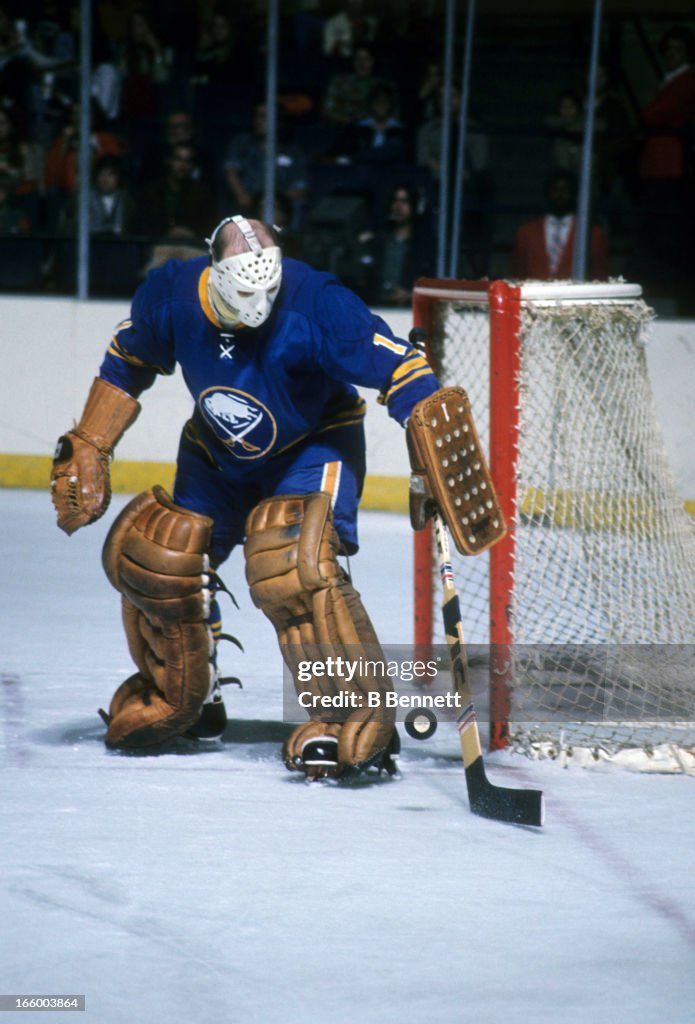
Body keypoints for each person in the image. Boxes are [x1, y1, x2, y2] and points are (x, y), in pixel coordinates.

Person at [49, 213, 458, 780]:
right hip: (215, 451)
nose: (259, 304)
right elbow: (128, 359)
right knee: (162, 560)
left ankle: (355, 719)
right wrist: (91, 441)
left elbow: (404, 368)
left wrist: (435, 448)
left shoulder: (317, 301)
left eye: (268, 289)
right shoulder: (170, 295)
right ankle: (191, 698)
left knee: (295, 565)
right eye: (245, 291)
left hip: (314, 444)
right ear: (215, 274)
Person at [510, 169, 609, 281]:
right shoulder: (525, 233)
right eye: (555, 189)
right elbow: (517, 276)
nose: (560, 195)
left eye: (566, 189)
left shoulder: (592, 235)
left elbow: (600, 277)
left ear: (575, 194)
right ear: (547, 193)